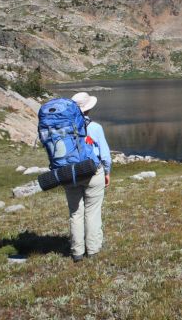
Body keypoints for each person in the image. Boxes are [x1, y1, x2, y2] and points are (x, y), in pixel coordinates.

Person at [66, 92, 112, 262]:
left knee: (75, 213)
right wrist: (107, 172)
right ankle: (93, 249)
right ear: (88, 109)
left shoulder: (63, 128)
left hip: (69, 174)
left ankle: (76, 252)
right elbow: (105, 156)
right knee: (92, 212)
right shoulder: (95, 127)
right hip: (93, 172)